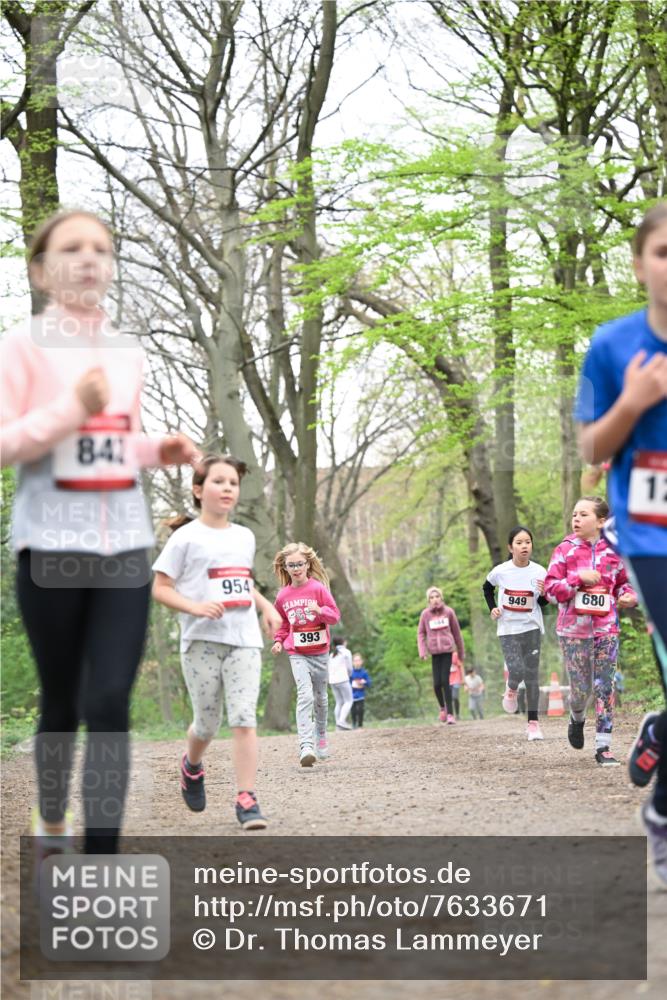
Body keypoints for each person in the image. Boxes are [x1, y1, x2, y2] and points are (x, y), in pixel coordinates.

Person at [0, 209, 198, 860]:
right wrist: (69, 409)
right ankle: (52, 814)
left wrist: (156, 450)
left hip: (124, 549)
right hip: (49, 547)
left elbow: (113, 446)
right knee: (61, 700)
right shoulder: (19, 347)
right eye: (71, 248)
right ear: (40, 269)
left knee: (110, 697)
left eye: (101, 250)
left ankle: (102, 854)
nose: (89, 258)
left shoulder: (125, 352)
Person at [575, 200, 667, 879]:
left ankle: (659, 745)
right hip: (647, 535)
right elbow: (591, 445)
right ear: (639, 266)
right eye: (661, 252)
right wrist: (632, 401)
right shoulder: (612, 346)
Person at [152, 455, 281, 830]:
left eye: (233, 483)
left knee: (243, 717)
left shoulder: (244, 536)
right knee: (207, 724)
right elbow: (160, 588)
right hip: (200, 640)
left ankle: (247, 798)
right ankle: (192, 766)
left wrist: (266, 605)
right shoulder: (184, 538)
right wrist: (194, 606)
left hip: (243, 640)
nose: (227, 488)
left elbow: (242, 582)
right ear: (198, 489)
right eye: (218, 481)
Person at [544, 496, 638, 766]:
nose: (576, 519)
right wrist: (577, 578)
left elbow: (624, 583)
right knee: (581, 689)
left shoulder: (615, 551)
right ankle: (576, 717)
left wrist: (629, 596)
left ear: (601, 521)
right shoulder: (564, 550)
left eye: (583, 514)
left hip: (606, 628)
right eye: (574, 514)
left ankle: (604, 747)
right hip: (573, 631)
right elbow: (551, 591)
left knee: (604, 685)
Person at [271, 543, 340, 766]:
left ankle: (321, 735)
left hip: (320, 652)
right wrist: (279, 641)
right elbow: (282, 624)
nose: (296, 568)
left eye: (300, 563)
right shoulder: (282, 596)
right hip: (297, 653)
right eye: (291, 565)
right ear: (285, 567)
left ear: (308, 564)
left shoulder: (318, 589)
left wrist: (320, 611)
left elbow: (334, 616)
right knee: (305, 695)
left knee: (320, 697)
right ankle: (305, 745)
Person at [483, 527, 549, 741]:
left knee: (531, 675)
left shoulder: (540, 572)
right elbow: (486, 587)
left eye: (528, 542)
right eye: (519, 543)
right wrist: (492, 607)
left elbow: (541, 603)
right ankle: (511, 688)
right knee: (517, 669)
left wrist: (547, 593)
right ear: (511, 547)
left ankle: (533, 724)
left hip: (531, 627)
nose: (524, 546)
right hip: (508, 629)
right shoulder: (501, 571)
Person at [417, 586, 465, 724]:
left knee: (445, 681)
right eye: (431, 597)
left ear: (441, 598)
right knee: (437, 684)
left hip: (447, 651)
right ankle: (442, 708)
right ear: (428, 600)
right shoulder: (425, 614)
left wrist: (461, 653)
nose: (435, 600)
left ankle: (450, 714)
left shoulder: (449, 612)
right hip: (434, 652)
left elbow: (457, 633)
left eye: (437, 596)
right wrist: (422, 651)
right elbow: (420, 633)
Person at [329, 636, 353, 730]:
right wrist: (349, 675)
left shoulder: (332, 654)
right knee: (349, 700)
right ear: (343, 642)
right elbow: (350, 668)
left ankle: (338, 725)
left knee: (339, 702)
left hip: (333, 681)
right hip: (343, 679)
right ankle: (341, 721)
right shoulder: (346, 652)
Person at [350, 652, 371, 728]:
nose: (357, 662)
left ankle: (360, 724)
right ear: (352, 662)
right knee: (353, 711)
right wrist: (353, 685)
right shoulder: (351, 673)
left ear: (361, 662)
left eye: (358, 660)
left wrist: (364, 682)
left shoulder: (364, 672)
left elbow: (369, 683)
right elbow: (348, 684)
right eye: (355, 660)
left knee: (360, 710)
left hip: (361, 695)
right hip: (352, 695)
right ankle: (354, 724)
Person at [450, 651, 463, 720]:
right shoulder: (443, 656)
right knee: (449, 699)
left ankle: (457, 714)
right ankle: (450, 714)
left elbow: (461, 666)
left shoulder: (455, 654)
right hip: (448, 681)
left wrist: (462, 678)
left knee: (455, 697)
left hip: (456, 680)